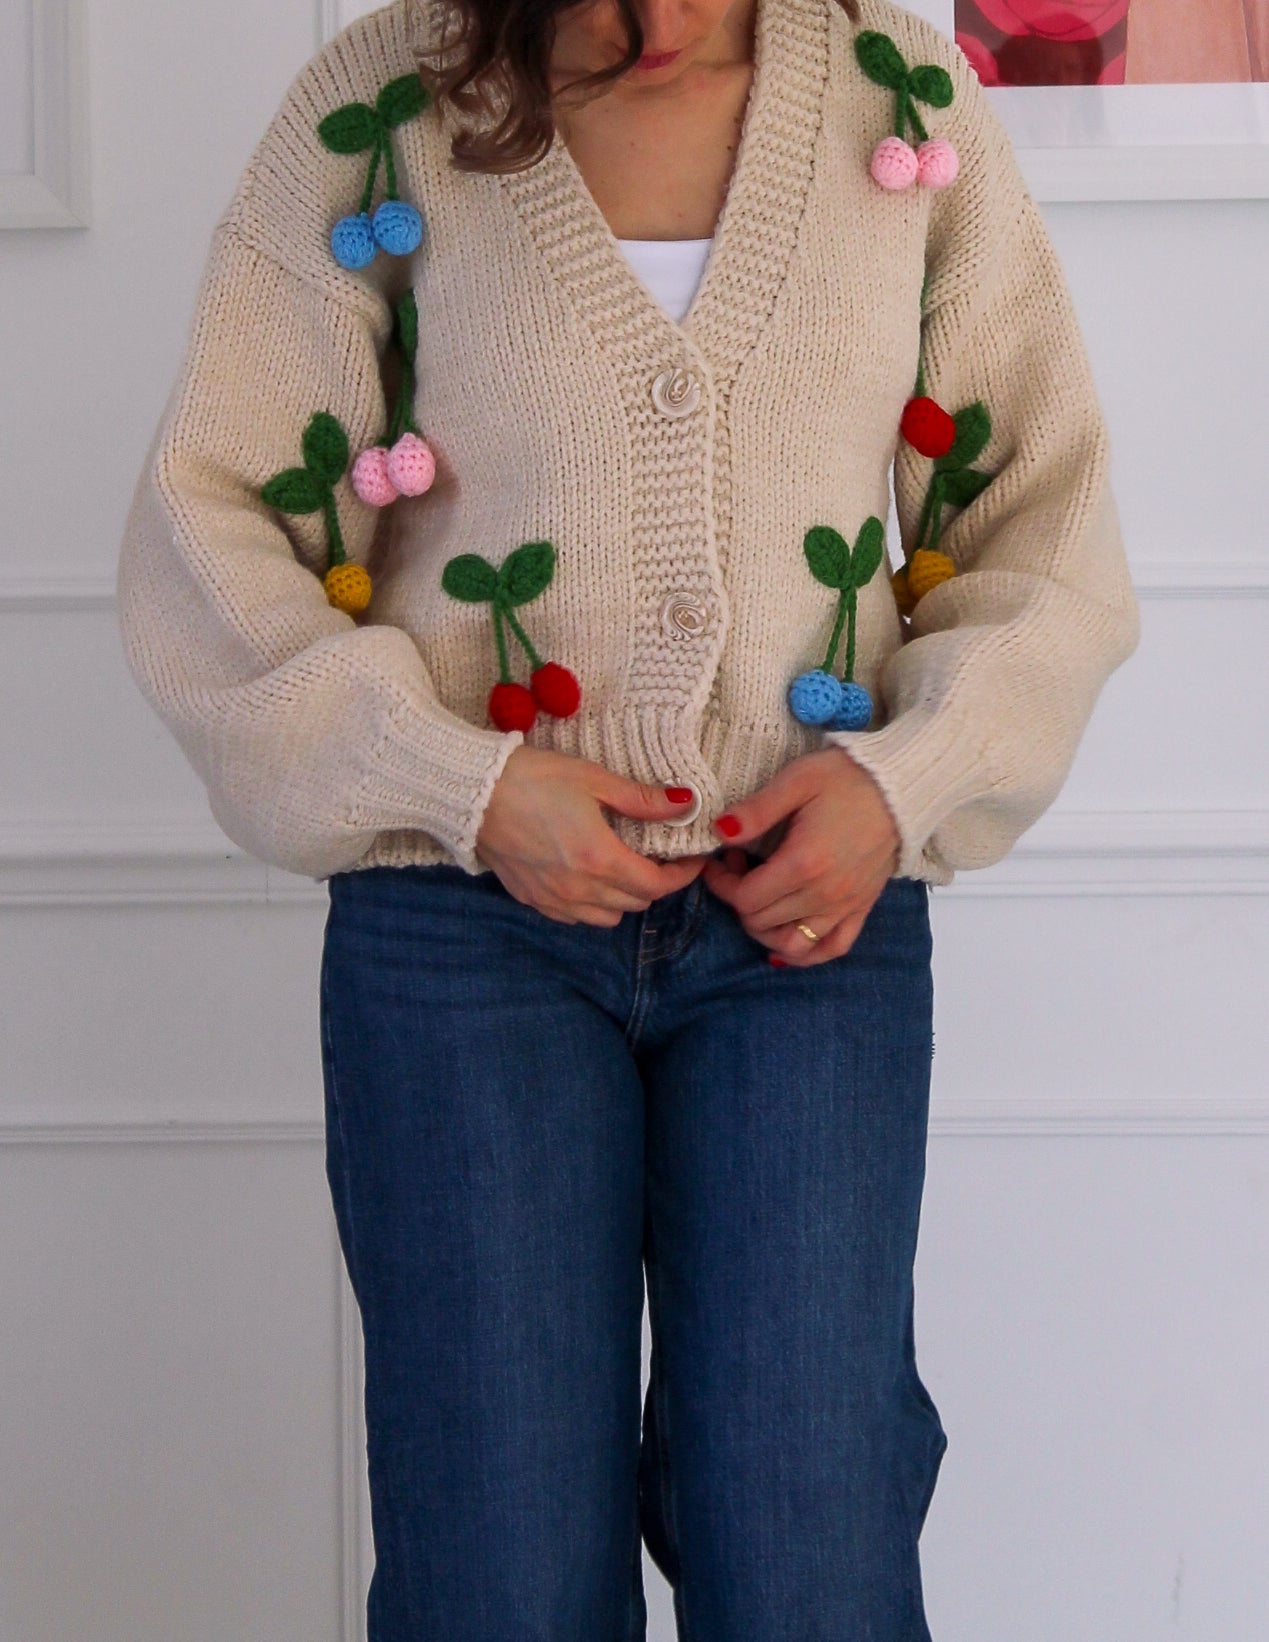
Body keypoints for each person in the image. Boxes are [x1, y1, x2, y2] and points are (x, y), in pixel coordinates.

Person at [115, 0, 1140, 1635]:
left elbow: (1039, 507)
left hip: (805, 928)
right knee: (496, 1571)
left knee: (807, 1543)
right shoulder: (385, 104)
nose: (644, 23)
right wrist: (460, 782)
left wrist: (904, 780)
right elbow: (213, 516)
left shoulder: (898, 96)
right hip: (461, 935)